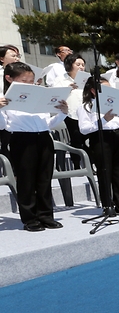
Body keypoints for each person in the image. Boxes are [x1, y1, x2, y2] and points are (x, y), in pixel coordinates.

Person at [0, 62, 69, 230]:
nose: (29, 84)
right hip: (22, 140)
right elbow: (3, 126)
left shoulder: (38, 95)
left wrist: (62, 113)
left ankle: (46, 215)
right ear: (9, 78)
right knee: (26, 180)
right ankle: (30, 218)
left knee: (44, 179)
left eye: (31, 81)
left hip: (44, 138)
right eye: (24, 81)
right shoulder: (4, 98)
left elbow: (47, 123)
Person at [78, 76, 119, 212]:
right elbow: (84, 129)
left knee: (118, 171)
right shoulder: (86, 107)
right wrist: (104, 120)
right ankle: (107, 205)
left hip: (116, 136)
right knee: (104, 172)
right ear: (93, 90)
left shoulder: (115, 104)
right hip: (100, 138)